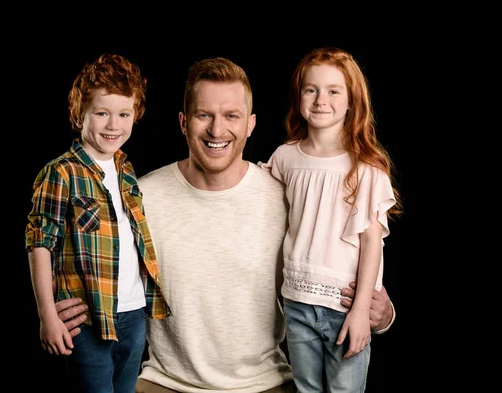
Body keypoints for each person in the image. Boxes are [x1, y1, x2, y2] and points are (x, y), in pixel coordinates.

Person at [54, 56, 396, 392]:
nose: (217, 130)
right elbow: (84, 253)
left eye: (231, 116)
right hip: (164, 382)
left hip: (265, 383)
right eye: (204, 115)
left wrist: (383, 315)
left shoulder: (286, 196)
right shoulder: (140, 197)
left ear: (250, 124)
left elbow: (344, 253)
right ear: (183, 122)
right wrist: (61, 302)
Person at [25, 53, 172, 393]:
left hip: (134, 314)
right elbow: (40, 242)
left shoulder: (126, 171)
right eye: (102, 113)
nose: (113, 125)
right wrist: (47, 313)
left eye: (124, 114)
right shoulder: (61, 172)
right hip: (88, 319)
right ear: (80, 114)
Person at [260, 47, 402, 392]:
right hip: (295, 301)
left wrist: (359, 311)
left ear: (352, 100)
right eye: (311, 89)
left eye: (333, 90)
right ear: (299, 96)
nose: (321, 99)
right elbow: (265, 218)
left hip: (343, 305)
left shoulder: (365, 167)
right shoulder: (284, 158)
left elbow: (371, 243)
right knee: (306, 388)